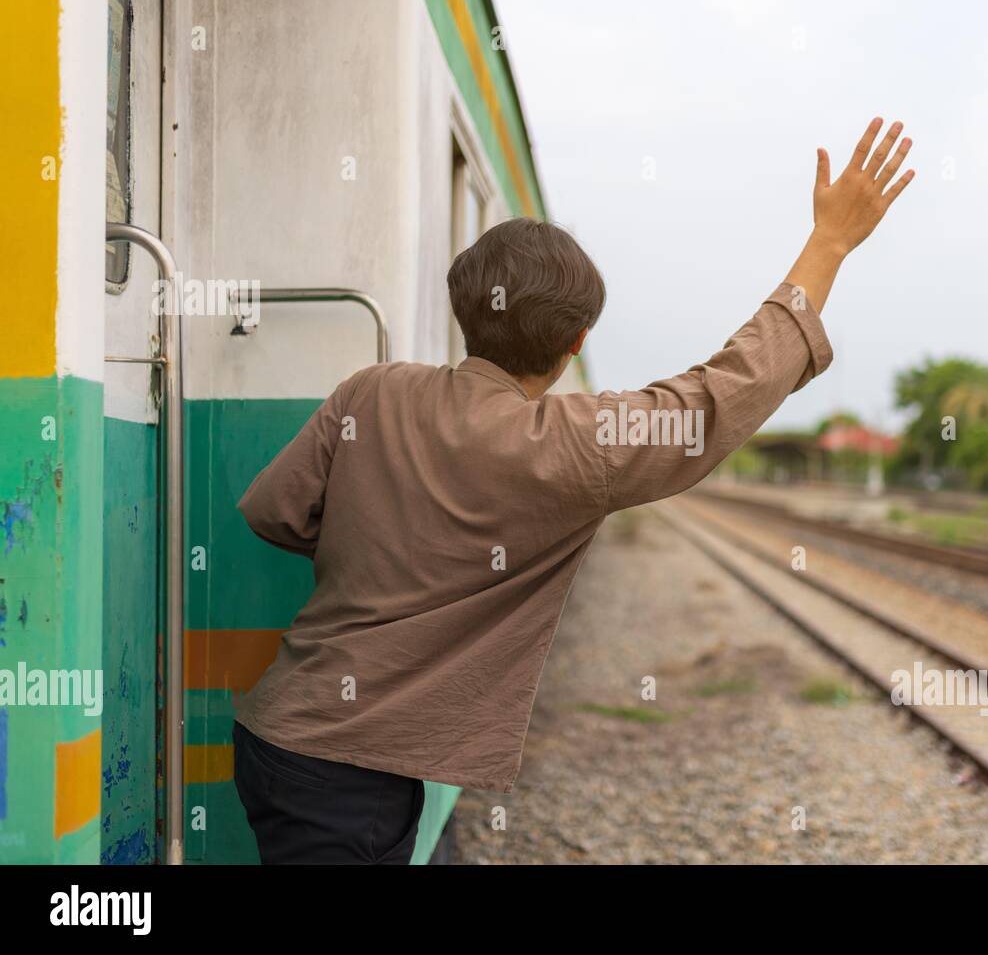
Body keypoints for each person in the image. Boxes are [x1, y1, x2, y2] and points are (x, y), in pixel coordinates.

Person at [232, 120, 916, 863]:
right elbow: (718, 398)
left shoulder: (370, 391)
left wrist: (374, 538)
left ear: (465, 311)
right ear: (576, 343)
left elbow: (273, 510)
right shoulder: (575, 444)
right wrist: (828, 245)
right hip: (352, 774)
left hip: (279, 736)